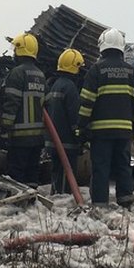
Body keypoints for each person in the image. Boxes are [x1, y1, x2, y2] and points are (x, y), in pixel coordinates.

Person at [78, 27, 134, 208]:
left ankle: (100, 203)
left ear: (102, 47)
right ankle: (125, 200)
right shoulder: (132, 72)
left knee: (101, 167)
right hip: (124, 132)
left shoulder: (96, 70)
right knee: (123, 165)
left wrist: (81, 126)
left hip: (101, 131)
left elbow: (87, 102)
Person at [0, 33, 46, 185]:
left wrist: (5, 127)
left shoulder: (17, 73)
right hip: (38, 136)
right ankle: (33, 203)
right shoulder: (40, 75)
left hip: (20, 136)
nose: (13, 53)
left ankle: (17, 205)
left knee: (16, 175)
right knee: (32, 173)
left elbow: (11, 102)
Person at [44, 48, 83, 194]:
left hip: (53, 141)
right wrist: (79, 136)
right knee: (66, 179)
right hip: (66, 143)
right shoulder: (70, 88)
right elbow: (74, 117)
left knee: (56, 175)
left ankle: (55, 202)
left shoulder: (54, 84)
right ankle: (63, 204)